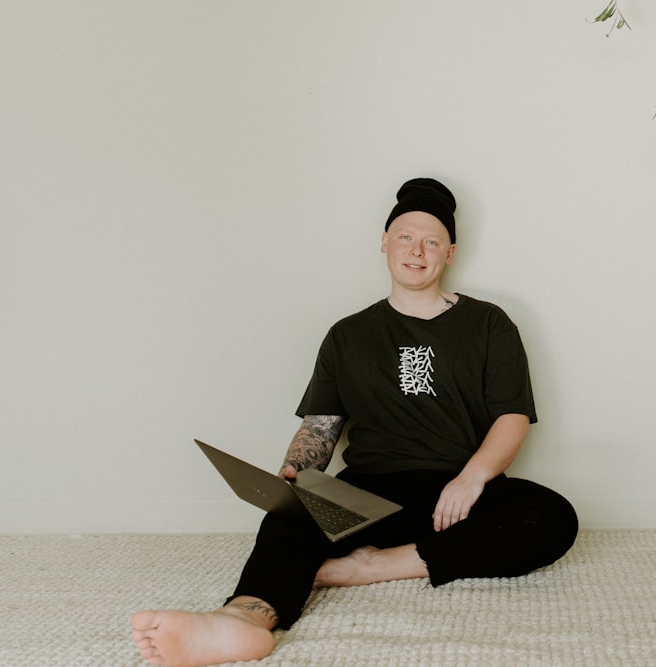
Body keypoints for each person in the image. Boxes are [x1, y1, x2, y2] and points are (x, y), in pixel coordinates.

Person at [131, 177, 579, 667]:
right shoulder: (347, 335)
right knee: (291, 515)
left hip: (457, 492)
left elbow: (512, 417)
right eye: (406, 237)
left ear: (449, 253)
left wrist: (471, 479)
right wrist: (294, 473)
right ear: (385, 243)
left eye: (432, 241)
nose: (417, 250)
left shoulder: (490, 323)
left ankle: (371, 567)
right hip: (370, 490)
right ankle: (243, 619)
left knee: (551, 516)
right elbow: (321, 428)